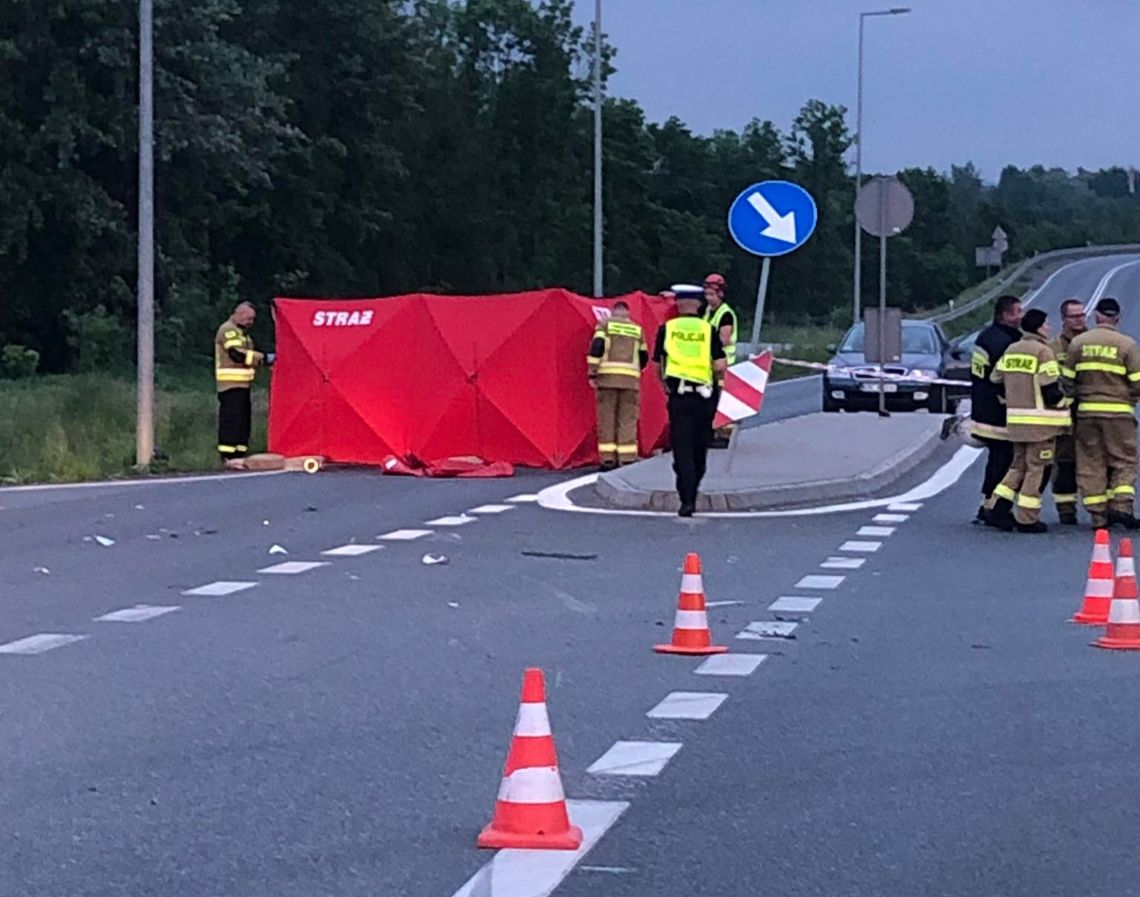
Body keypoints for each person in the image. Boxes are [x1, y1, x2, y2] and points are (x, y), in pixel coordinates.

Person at [986, 310, 1070, 533]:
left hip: (1016, 421)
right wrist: (1067, 403)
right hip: (1040, 426)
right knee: (1037, 469)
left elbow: (995, 379)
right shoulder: (1043, 352)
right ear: (1040, 327)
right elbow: (1051, 391)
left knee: (1017, 466)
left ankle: (996, 507)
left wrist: (1011, 397)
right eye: (1047, 323)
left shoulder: (1011, 349)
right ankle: (1027, 518)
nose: (1049, 327)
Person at [1064, 296, 1140, 529]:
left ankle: (1098, 516)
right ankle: (1121, 506)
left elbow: (1067, 381)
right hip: (1119, 415)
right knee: (1124, 461)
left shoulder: (1078, 344)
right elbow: (1138, 382)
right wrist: (1128, 398)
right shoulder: (1127, 345)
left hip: (1087, 413)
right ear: (1117, 318)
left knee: (1091, 462)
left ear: (1096, 316)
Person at [653, 289, 727, 517]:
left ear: (678, 304)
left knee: (681, 447)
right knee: (699, 446)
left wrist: (664, 384)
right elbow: (720, 365)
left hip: (679, 396)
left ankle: (686, 498)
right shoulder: (708, 330)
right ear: (698, 304)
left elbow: (657, 363)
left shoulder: (667, 329)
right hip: (704, 397)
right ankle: (693, 487)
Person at [969, 294, 1023, 525]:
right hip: (998, 411)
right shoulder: (1006, 343)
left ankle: (986, 503)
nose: (1021, 315)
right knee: (1005, 460)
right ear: (1006, 315)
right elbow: (1005, 379)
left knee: (997, 458)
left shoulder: (986, 337)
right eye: (1017, 311)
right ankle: (994, 507)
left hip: (983, 407)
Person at [587, 301, 649, 469]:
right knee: (627, 419)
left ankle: (607, 459)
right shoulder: (637, 329)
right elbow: (644, 356)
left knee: (607, 418)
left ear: (613, 313)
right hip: (630, 381)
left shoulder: (604, 326)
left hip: (607, 379)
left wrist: (592, 372)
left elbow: (596, 348)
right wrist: (637, 371)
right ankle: (627, 458)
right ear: (627, 314)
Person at [214, 301, 274, 470]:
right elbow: (237, 355)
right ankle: (228, 456)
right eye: (248, 318)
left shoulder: (242, 334)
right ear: (238, 314)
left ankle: (239, 455)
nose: (250, 323)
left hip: (242, 385)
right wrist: (263, 359)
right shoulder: (228, 330)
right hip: (230, 385)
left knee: (242, 421)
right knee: (231, 421)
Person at [1050, 298, 1087, 523]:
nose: (1079, 319)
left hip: (1091, 410)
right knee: (1065, 462)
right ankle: (1066, 510)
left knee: (1099, 462)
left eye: (1082, 315)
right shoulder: (1053, 348)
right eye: (1074, 316)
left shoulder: (1092, 343)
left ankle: (1105, 510)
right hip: (1065, 413)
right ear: (1063, 319)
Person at [702, 273, 737, 448]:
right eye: (706, 294)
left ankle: (724, 436)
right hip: (710, 363)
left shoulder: (726, 314)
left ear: (720, 294)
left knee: (723, 401)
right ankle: (712, 432)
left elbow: (724, 338)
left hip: (724, 364)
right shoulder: (708, 311)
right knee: (711, 399)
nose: (708, 298)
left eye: (712, 294)